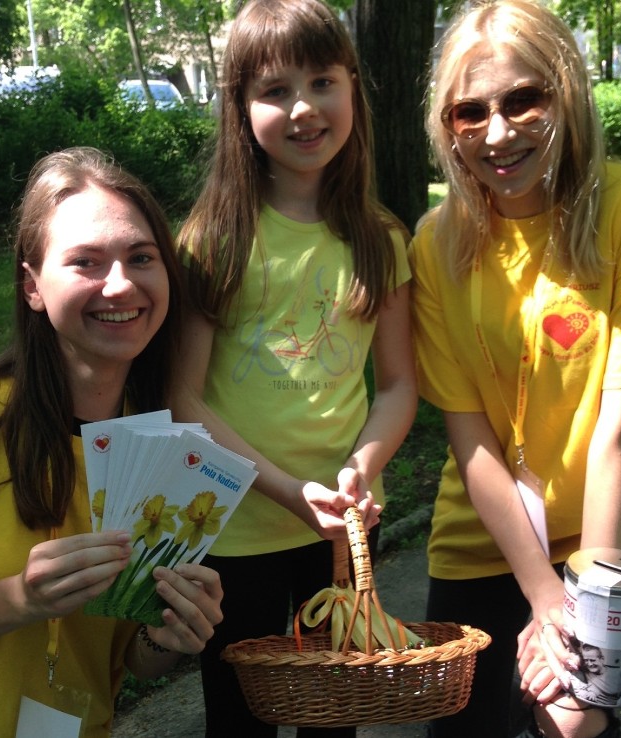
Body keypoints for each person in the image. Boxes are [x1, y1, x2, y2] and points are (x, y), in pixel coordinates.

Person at [409, 1, 621, 737]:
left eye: (523, 99)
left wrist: (581, 604)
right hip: (485, 533)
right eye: (469, 113)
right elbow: (470, 441)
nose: (497, 133)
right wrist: (541, 593)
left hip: (611, 528)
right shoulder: (436, 244)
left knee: (571, 721)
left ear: (565, 91)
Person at [0, 147, 224, 737]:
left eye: (142, 257)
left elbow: (127, 658)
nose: (120, 285)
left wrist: (170, 634)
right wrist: (18, 599)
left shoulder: (162, 454)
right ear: (32, 286)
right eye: (86, 261)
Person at [170, 0, 417, 735]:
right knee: (240, 717)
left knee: (333, 716)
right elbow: (185, 398)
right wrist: (285, 490)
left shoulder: (381, 238)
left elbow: (400, 385)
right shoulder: (213, 238)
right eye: (275, 91)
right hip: (233, 528)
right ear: (240, 109)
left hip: (340, 535)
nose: (303, 108)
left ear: (353, 90)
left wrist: (361, 473)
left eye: (321, 82)